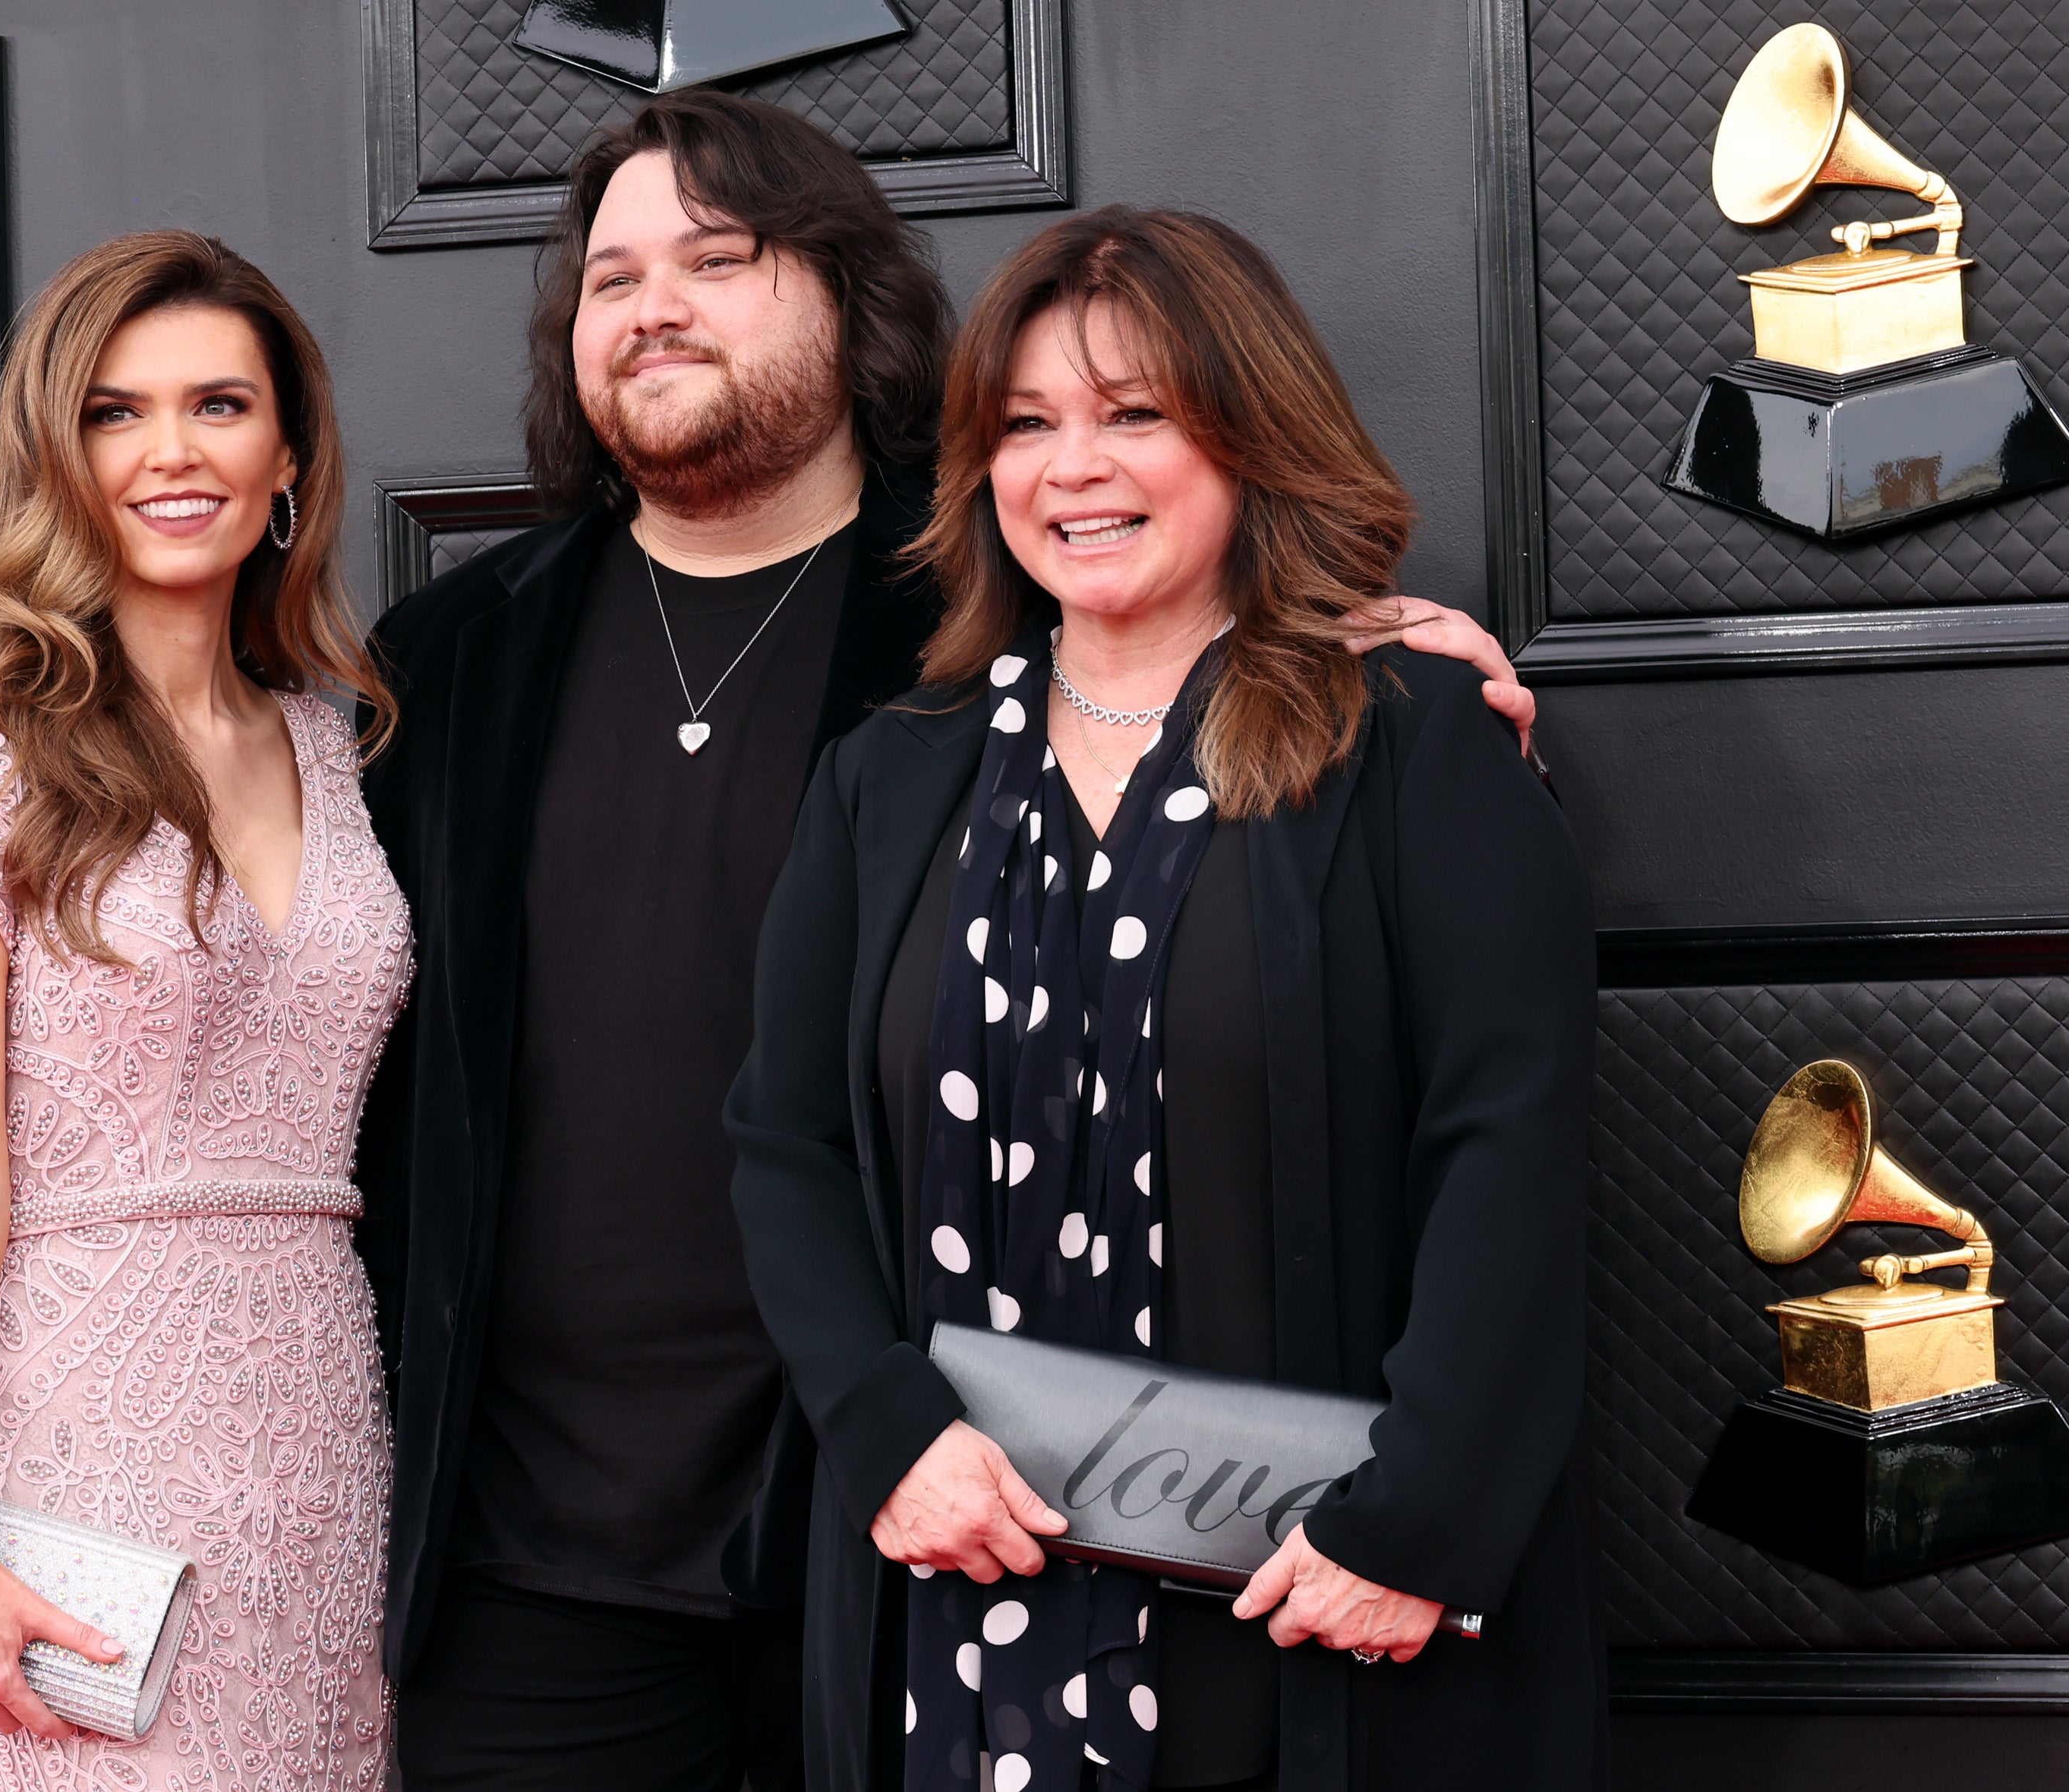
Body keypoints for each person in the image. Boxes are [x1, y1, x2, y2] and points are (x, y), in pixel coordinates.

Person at [355, 93, 1541, 1790]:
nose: (649, 305)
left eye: (715, 257)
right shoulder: (452, 651)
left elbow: (1200, 626)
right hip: (539, 1545)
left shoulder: (982, 615)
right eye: (608, 277)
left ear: (849, 298)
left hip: (906, 1533)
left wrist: (1369, 647)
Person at [723, 206, 1604, 1792]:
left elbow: (1511, 1148)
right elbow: (785, 1143)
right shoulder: (887, 778)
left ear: (1251, 438)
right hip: (962, 1617)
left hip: (1330, 1621)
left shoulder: (1409, 737)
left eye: (1136, 415)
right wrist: (883, 1429)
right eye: (1027, 425)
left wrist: (1421, 1520)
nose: (1074, 467)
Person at [0, 232, 410, 1790]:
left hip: (324, 1441)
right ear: (58, 454)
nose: (171, 451)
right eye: (115, 411)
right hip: (92, 1450)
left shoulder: (333, 743)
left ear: (289, 454)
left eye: (218, 405)